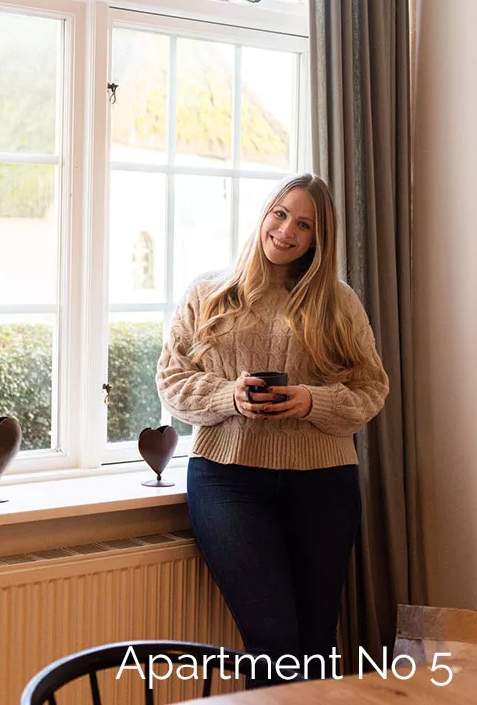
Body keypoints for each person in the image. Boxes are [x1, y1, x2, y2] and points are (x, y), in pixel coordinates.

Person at [156, 173, 389, 688]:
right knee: (273, 641)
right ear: (264, 213)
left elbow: (372, 391)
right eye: (280, 214)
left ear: (317, 240)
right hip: (228, 480)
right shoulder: (209, 294)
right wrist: (228, 396)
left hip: (323, 482)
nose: (286, 231)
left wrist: (311, 400)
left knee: (316, 643)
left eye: (303, 225)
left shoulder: (339, 303)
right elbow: (172, 381)